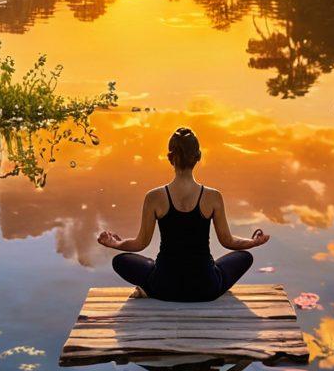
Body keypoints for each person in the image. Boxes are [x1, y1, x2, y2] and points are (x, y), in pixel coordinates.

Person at [97, 126, 269, 301]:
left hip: (164, 286)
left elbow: (140, 243)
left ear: (170, 158)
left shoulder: (154, 197)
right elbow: (228, 241)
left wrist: (115, 244)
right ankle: (211, 275)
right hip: (206, 287)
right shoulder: (213, 197)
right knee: (244, 257)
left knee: (120, 261)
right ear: (198, 157)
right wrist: (253, 242)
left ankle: (150, 285)